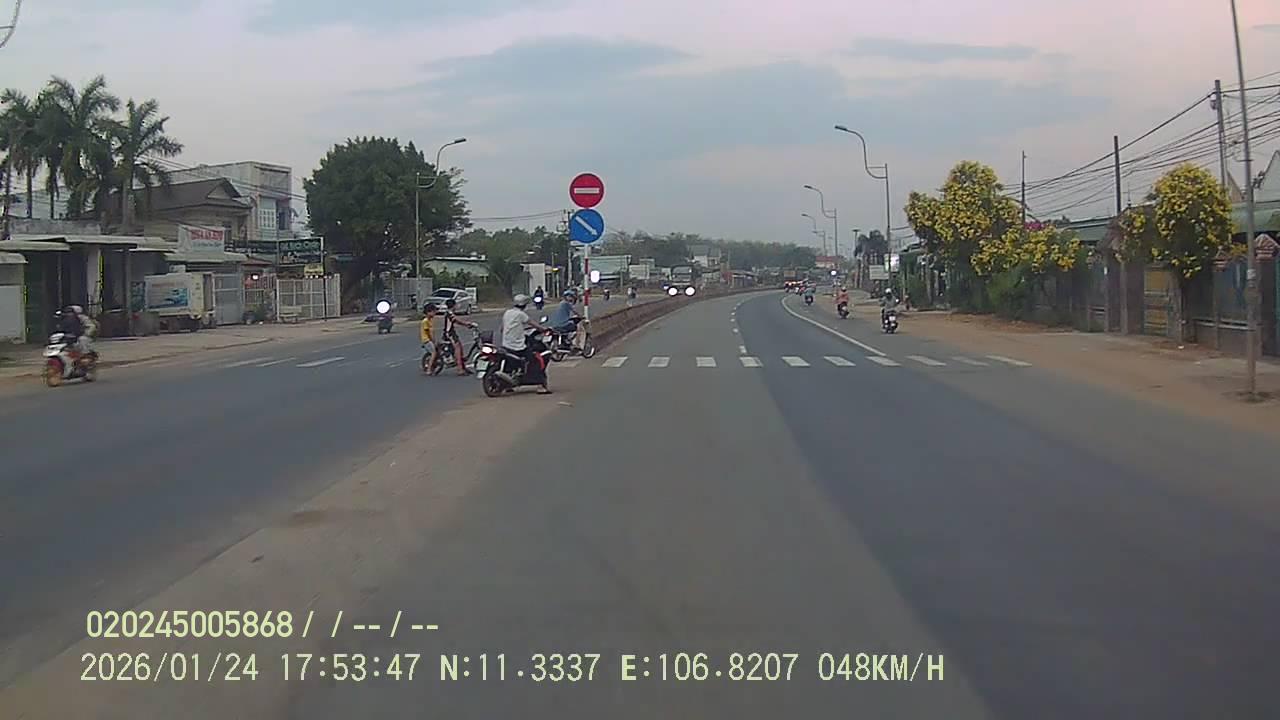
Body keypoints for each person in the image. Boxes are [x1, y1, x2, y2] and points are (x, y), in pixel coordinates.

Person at [501, 294, 551, 394]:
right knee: (536, 360)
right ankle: (540, 385)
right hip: (518, 346)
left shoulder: (507, 313)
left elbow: (502, 328)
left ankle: (507, 386)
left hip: (506, 344)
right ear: (524, 305)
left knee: (509, 361)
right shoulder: (521, 314)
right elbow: (533, 324)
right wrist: (543, 329)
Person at [442, 298, 478, 376]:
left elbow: (458, 322)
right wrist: (468, 323)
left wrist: (467, 325)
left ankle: (463, 367)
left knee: (460, 349)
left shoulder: (450, 313)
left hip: (452, 333)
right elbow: (457, 320)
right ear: (453, 305)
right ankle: (460, 369)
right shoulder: (449, 313)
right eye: (456, 305)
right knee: (457, 349)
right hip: (449, 334)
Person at [421, 302, 439, 372]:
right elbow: (428, 332)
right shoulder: (425, 321)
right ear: (428, 312)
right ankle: (429, 369)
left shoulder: (430, 320)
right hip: (426, 340)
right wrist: (433, 340)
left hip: (429, 339)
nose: (435, 313)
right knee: (434, 353)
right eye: (433, 312)